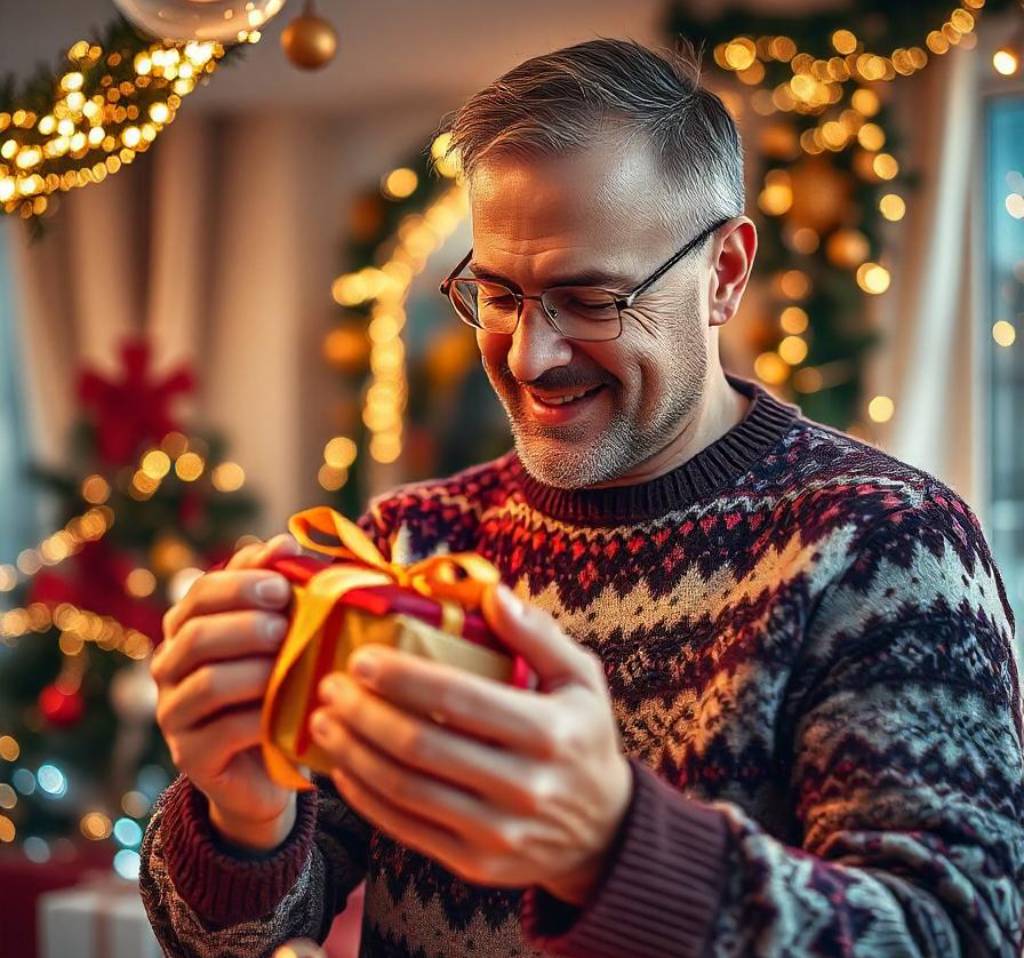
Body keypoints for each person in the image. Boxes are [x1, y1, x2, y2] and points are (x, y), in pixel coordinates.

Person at [139, 38, 1024, 958]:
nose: (529, 356)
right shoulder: (408, 541)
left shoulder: (885, 544)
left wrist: (610, 847)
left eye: (592, 299)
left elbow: (953, 934)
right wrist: (244, 816)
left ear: (723, 273)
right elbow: (236, 942)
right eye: (498, 293)